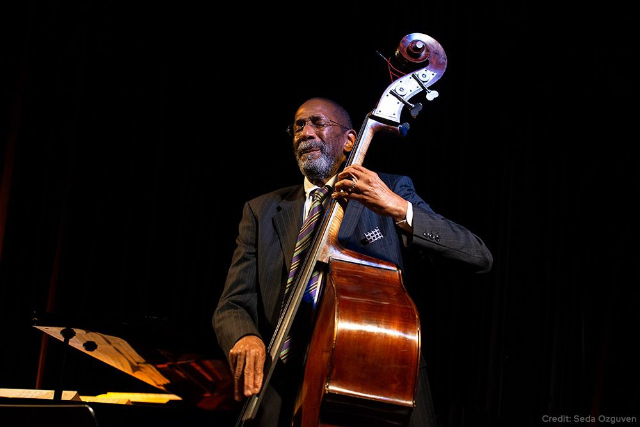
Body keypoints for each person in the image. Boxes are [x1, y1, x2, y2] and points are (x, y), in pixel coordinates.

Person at [213, 97, 493, 426]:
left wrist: (399, 208)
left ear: (350, 141)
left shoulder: (390, 189)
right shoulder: (260, 210)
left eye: (318, 123)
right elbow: (232, 304)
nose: (305, 133)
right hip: (280, 383)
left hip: (379, 379)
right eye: (299, 126)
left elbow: (477, 256)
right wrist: (243, 336)